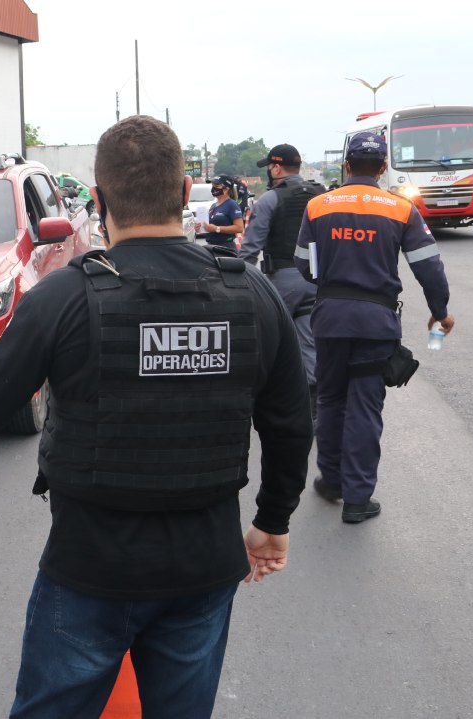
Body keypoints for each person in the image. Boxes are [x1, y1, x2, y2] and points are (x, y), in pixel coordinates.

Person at [0, 115, 311, 718]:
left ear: (99, 201)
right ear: (182, 195)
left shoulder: (64, 297)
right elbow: (291, 422)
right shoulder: (250, 293)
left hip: (89, 571)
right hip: (203, 566)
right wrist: (273, 520)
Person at [295, 131, 454, 523]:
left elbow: (303, 265)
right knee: (364, 407)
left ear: (346, 165)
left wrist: (333, 284)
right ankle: (357, 498)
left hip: (329, 320)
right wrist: (440, 310)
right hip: (376, 324)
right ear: (383, 168)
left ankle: (330, 480)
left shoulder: (318, 206)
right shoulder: (400, 209)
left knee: (330, 400)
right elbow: (428, 266)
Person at [240, 143, 326, 417]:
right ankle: (312, 410)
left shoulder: (269, 200)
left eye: (269, 167)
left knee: (269, 343)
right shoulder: (320, 196)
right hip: (319, 280)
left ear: (276, 168)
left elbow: (250, 250)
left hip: (285, 281)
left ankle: (268, 405)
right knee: (308, 342)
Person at [194, 175, 244, 252]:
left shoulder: (232, 204)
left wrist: (216, 229)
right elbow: (210, 227)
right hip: (210, 247)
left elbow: (239, 228)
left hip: (226, 248)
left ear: (226, 189)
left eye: (216, 185)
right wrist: (201, 228)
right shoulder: (213, 206)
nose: (213, 188)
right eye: (212, 185)